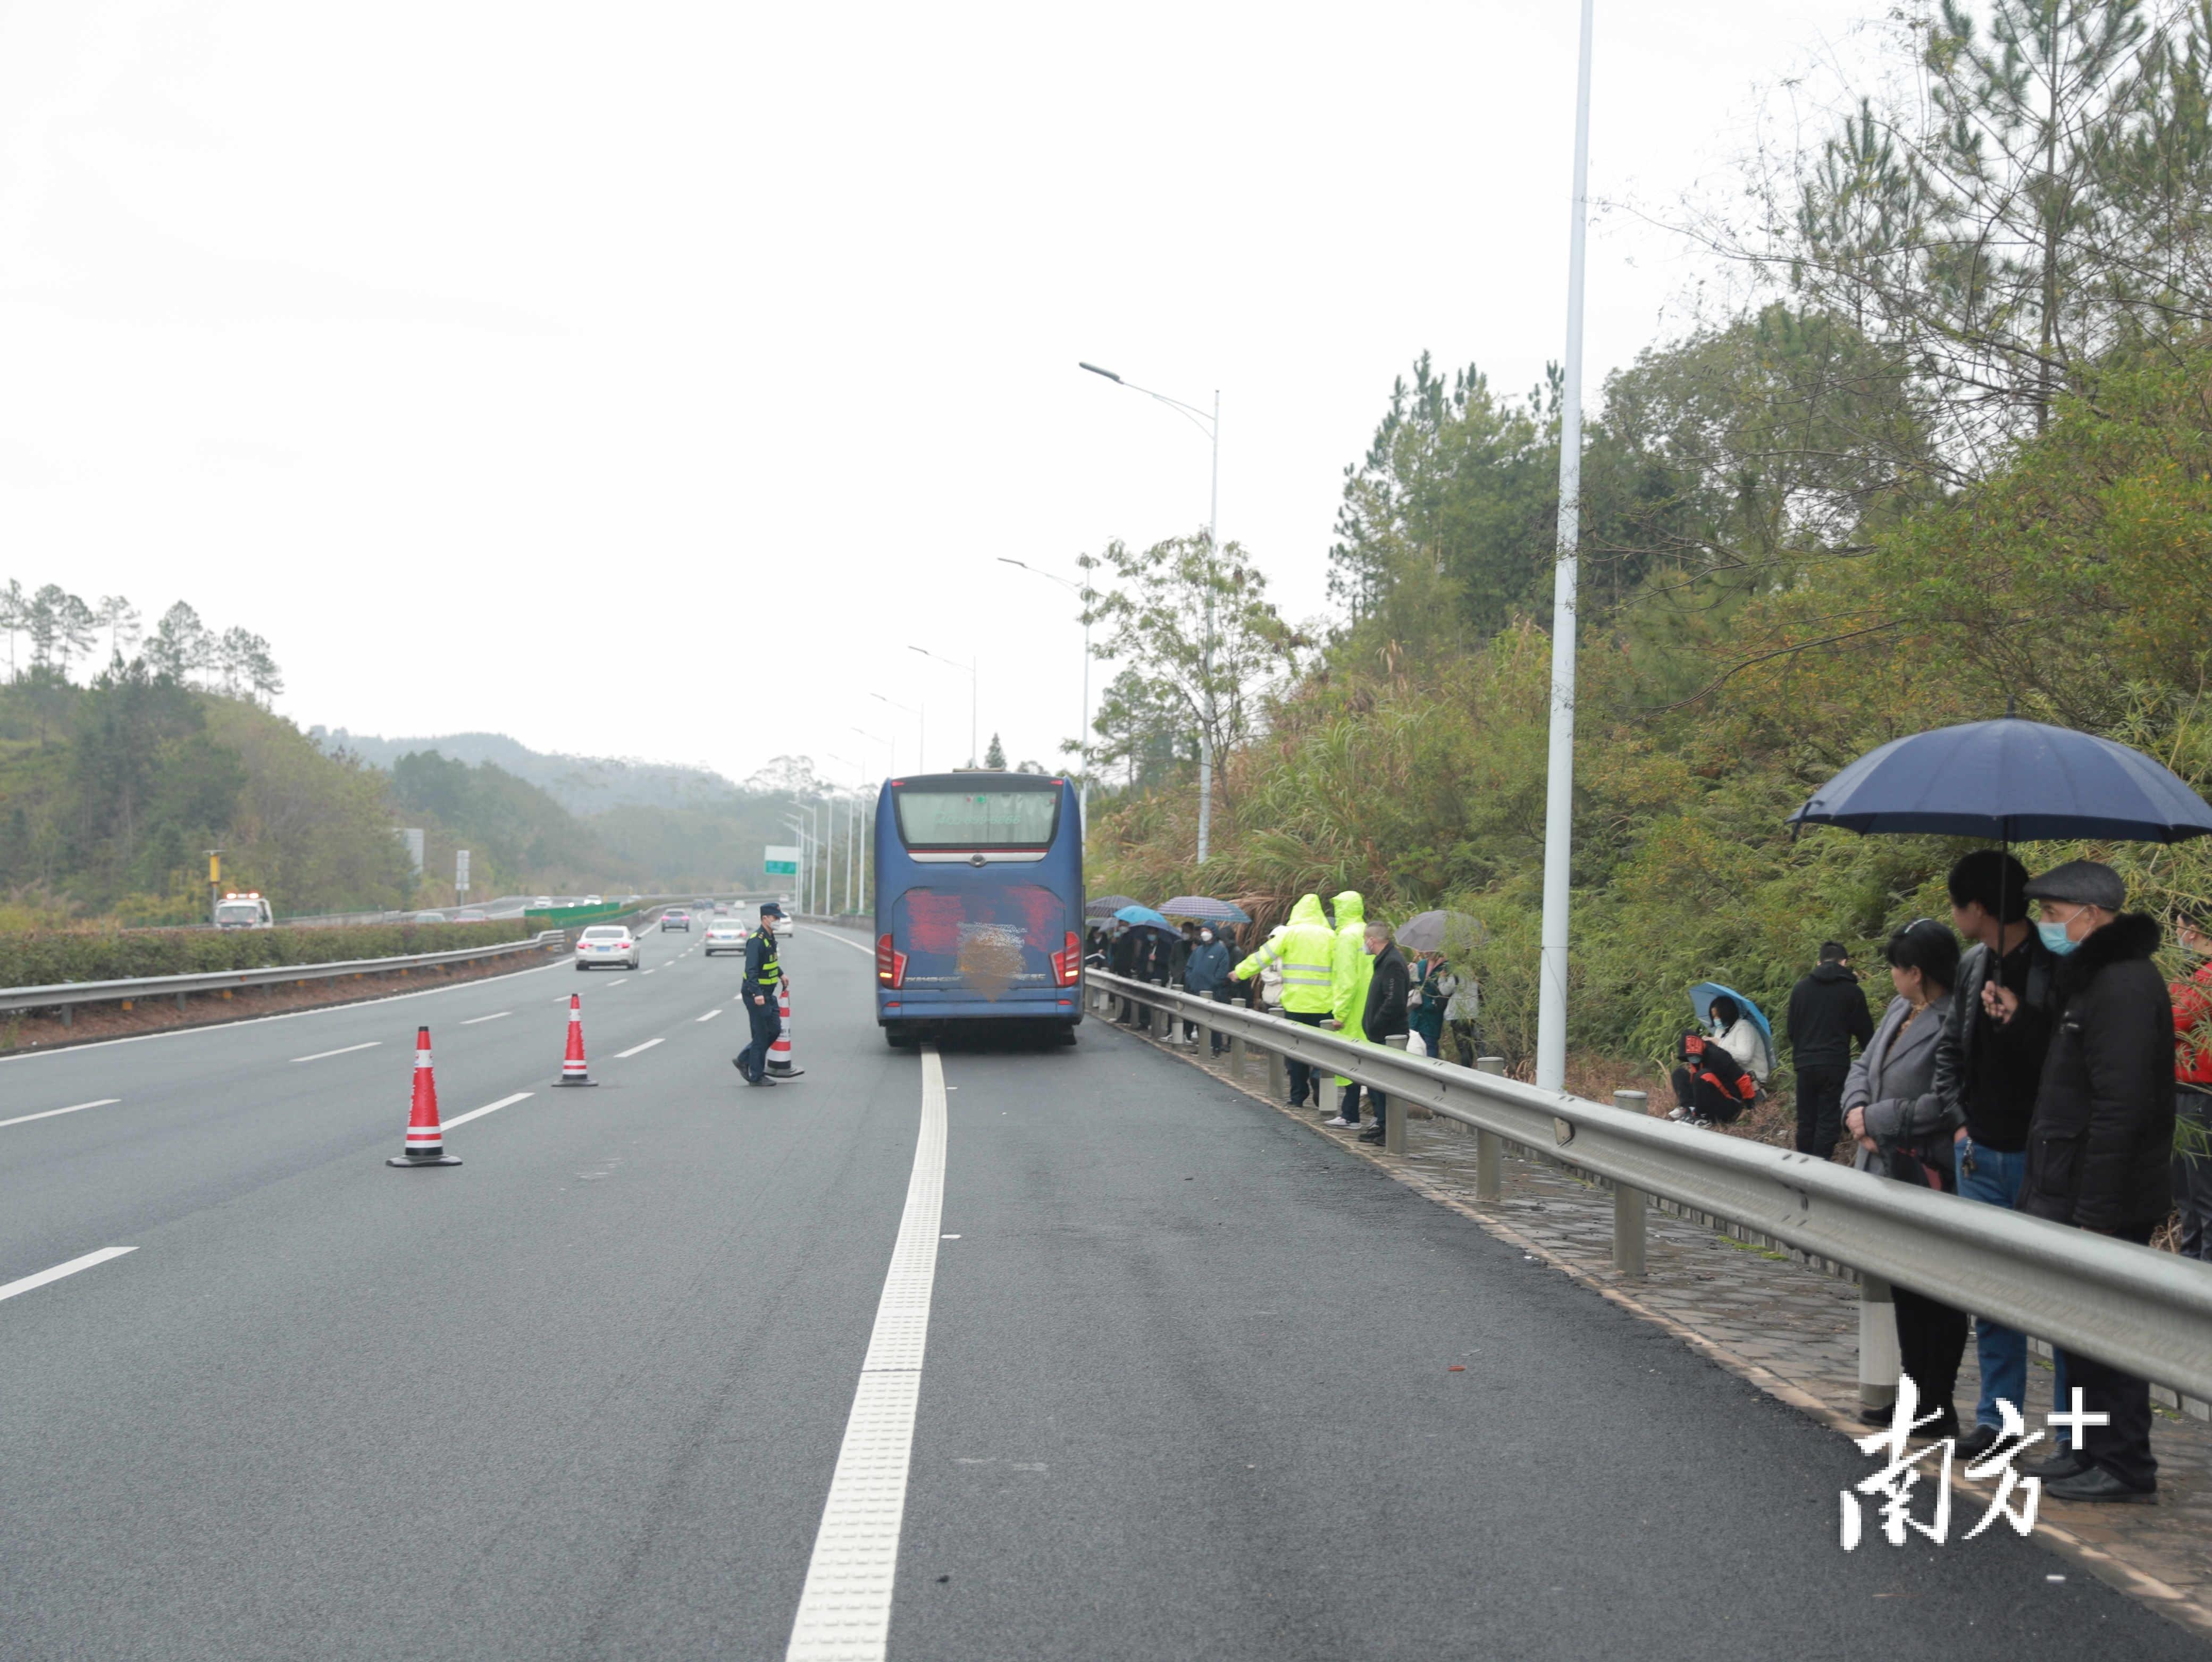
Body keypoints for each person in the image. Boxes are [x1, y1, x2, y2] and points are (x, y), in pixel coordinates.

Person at [2011, 860, 2174, 1502]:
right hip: (2067, 1183)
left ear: (2091, 914)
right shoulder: (2088, 981)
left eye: (2052, 915)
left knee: (2107, 1336)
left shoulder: (2125, 986)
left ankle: (2124, 1463)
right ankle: (2081, 1448)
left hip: (2099, 1194)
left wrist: (2097, 1208)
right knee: (2075, 1332)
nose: (2046, 927)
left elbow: (2120, 1104)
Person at [1927, 850, 2060, 1460]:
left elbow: (2065, 1063)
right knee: (1991, 1300)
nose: (1954, 914)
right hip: (1979, 1150)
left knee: (2060, 1305)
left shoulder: (2057, 965)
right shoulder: (1971, 965)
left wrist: (2022, 1017)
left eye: (1957, 904)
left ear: (1977, 907)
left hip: (2042, 1158)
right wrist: (1958, 1123)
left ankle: (2068, 1438)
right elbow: (1951, 1049)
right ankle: (1997, 1422)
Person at [1844, 920, 1965, 1438]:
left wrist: (1878, 1120)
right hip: (1883, 1165)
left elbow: (1946, 1099)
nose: (1890, 976)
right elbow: (1862, 1065)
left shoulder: (1954, 1019)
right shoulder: (1898, 1009)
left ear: (1915, 973)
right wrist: (1855, 1111)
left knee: (1934, 1290)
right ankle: (1914, 1397)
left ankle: (1937, 1402)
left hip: (1925, 1168)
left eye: (1895, 967)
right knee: (1903, 1286)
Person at [1232, 894, 1335, 1107]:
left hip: (1295, 1004)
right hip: (1325, 1005)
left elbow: (1263, 957)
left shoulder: (1289, 934)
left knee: (1295, 1051)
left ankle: (1298, 1097)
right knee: (1322, 1050)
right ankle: (1318, 1076)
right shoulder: (1331, 936)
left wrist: (1239, 973)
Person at [1786, 943, 1873, 1158]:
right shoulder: (1852, 991)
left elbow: (1791, 1030)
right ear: (1844, 962)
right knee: (1828, 1120)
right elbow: (1866, 1035)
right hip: (1835, 1064)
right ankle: (1820, 1169)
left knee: (1806, 1120)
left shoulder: (1800, 989)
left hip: (1805, 1064)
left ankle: (1802, 1168)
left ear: (1819, 962)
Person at [2169, 909, 2212, 1262]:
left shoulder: (2207, 977)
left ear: (2193, 928)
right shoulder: (2191, 975)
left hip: (2201, 1094)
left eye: (2177, 929)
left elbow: (2174, 1019)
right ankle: (2188, 1266)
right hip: (2182, 1091)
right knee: (2186, 1194)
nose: (2175, 937)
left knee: (2203, 1195)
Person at [1353, 921, 1410, 1144]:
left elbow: (1394, 1001)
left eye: (1364, 941)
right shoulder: (1385, 961)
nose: (1364, 945)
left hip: (1389, 1036)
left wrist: (1376, 1024)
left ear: (1371, 941)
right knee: (1376, 1084)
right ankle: (1382, 1123)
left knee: (1385, 1085)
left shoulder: (1392, 963)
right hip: (1380, 1036)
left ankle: (1389, 1130)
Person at [1669, 995, 1762, 1126]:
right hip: (1722, 1076)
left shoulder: (1743, 1027)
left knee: (1704, 1076)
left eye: (1718, 1016)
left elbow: (1744, 1057)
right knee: (1682, 1074)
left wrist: (1717, 1043)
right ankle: (1689, 1108)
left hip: (1742, 1077)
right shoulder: (1721, 1031)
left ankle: (1701, 1116)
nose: (1715, 1019)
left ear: (1727, 1013)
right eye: (1713, 1016)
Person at [1322, 891, 1371, 1127]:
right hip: (1370, 1006)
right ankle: (1373, 1118)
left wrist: (1339, 1013)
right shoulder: (1368, 932)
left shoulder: (1346, 937)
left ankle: (1350, 1115)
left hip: (1352, 1009)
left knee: (1350, 1062)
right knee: (1370, 1062)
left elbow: (1346, 978)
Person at [733, 901, 792, 1085]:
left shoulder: (769, 937)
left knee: (774, 1030)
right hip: (755, 995)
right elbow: (751, 970)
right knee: (760, 1035)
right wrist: (757, 993)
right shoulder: (756, 940)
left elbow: (769, 962)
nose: (778, 921)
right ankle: (756, 1076)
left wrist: (781, 974)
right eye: (775, 918)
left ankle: (744, 1058)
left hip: (768, 993)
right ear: (765, 918)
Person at [1183, 925, 1234, 1053]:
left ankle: (1215, 1047)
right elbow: (1189, 967)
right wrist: (1191, 979)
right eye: (1203, 931)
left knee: (1212, 1021)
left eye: (1207, 931)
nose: (1204, 933)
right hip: (1196, 990)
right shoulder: (1198, 950)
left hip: (1213, 992)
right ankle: (1203, 1046)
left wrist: (1213, 983)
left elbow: (1223, 971)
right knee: (1199, 1020)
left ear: (1214, 933)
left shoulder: (1221, 950)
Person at [1406, 949, 1447, 1059]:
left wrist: (1434, 1005)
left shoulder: (1445, 967)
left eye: (1430, 949)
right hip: (1416, 1012)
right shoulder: (1421, 964)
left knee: (1430, 1045)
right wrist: (1410, 974)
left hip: (1432, 1014)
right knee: (1414, 1044)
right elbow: (1413, 986)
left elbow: (1445, 992)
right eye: (1425, 950)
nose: (1427, 952)